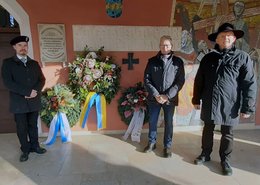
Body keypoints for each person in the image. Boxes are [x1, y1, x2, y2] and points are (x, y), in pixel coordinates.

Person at [192, 23, 257, 176]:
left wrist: (248, 107)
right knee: (207, 129)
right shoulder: (208, 58)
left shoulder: (243, 57)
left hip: (231, 103)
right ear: (217, 40)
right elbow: (199, 80)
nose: (226, 38)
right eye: (222, 36)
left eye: (229, 36)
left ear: (234, 38)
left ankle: (225, 160)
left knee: (227, 132)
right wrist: (196, 99)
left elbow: (250, 83)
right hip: (209, 100)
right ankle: (205, 154)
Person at [1, 36, 47, 162]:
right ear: (14, 47)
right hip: (19, 103)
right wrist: (26, 92)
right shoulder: (8, 63)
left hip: (34, 101)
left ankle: (35, 146)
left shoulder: (34, 63)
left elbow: (42, 80)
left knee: (33, 125)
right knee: (22, 127)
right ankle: (25, 150)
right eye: (20, 45)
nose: (23, 48)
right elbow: (8, 83)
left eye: (25, 45)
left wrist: (35, 92)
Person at [143, 35, 185, 158]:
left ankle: (167, 146)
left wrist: (167, 96)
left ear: (171, 46)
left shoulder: (178, 62)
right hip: (154, 98)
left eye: (167, 45)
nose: (164, 47)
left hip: (169, 99)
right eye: (162, 45)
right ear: (159, 46)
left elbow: (180, 81)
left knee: (168, 123)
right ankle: (152, 142)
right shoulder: (152, 61)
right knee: (152, 121)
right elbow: (147, 80)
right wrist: (156, 95)